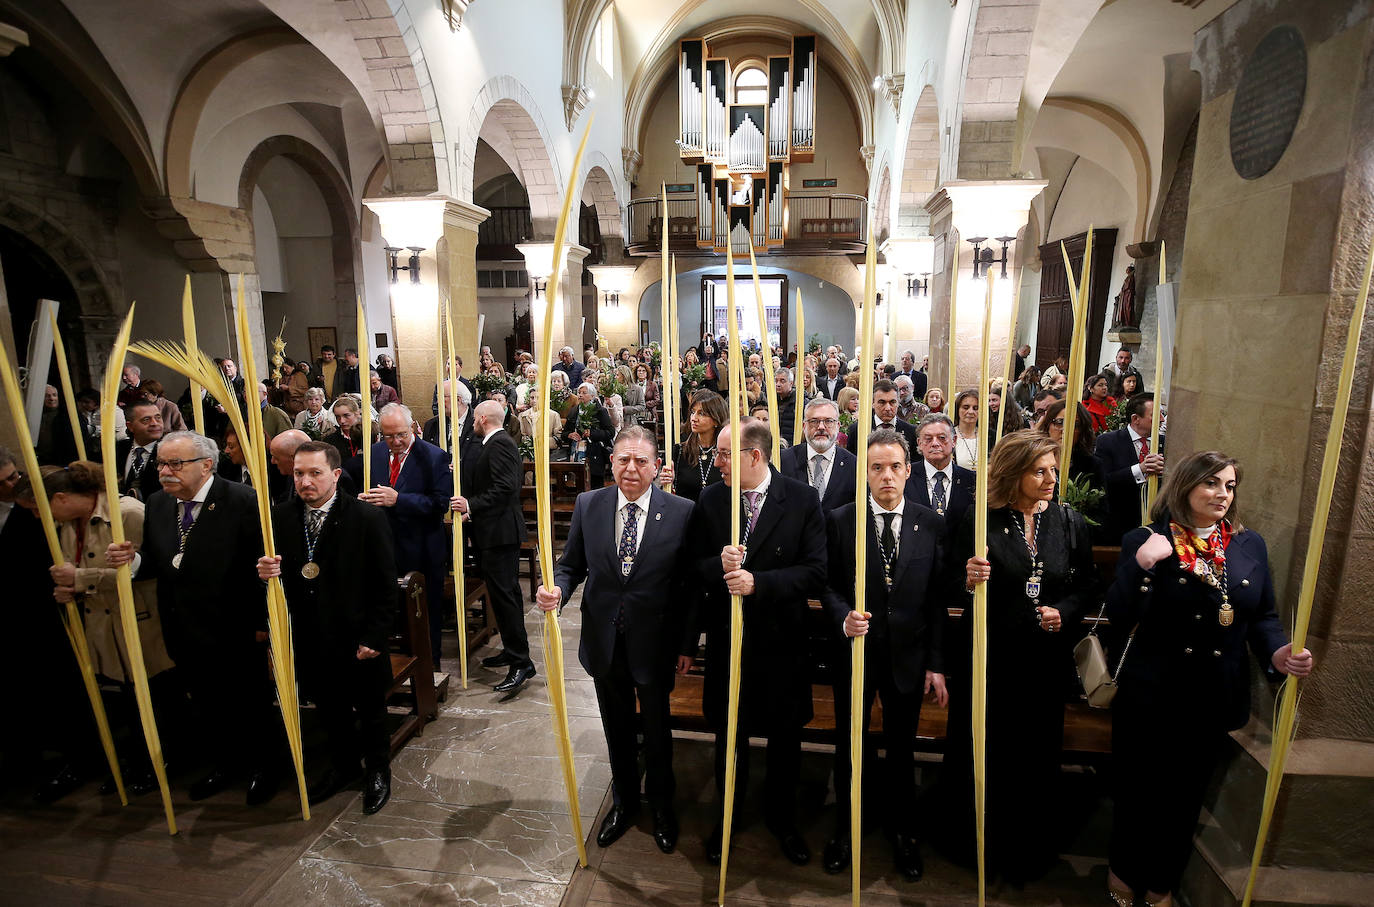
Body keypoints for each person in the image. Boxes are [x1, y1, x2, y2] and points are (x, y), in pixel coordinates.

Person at [1103, 451, 1313, 907]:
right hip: (1153, 692)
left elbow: (1263, 617)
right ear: (1185, 487)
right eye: (1212, 484)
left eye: (1230, 485)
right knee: (1139, 791)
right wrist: (1141, 567)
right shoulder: (1148, 538)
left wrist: (1278, 653)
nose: (1222, 494)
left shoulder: (1246, 545)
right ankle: (1123, 872)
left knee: (1184, 798)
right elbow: (1117, 616)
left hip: (1211, 694)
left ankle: (1161, 884)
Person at [947, 431, 1099, 883]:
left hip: (1043, 664)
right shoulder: (980, 519)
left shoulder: (1067, 522)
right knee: (987, 750)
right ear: (1014, 474)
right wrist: (968, 578)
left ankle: (1026, 846)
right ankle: (975, 843)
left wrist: (1065, 610)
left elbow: (1088, 585)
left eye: (1054, 469)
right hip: (991, 658)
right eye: (1040, 471)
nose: (1052, 479)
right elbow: (946, 579)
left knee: (1034, 754)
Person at [536, 426, 694, 854]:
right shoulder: (591, 505)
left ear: (656, 466)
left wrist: (685, 644)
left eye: (641, 461)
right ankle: (624, 802)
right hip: (605, 638)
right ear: (611, 462)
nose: (631, 468)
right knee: (616, 727)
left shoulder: (680, 511)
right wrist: (557, 591)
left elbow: (686, 586)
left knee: (658, 730)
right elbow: (572, 566)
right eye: (623, 459)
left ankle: (662, 805)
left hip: (655, 641)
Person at [105, 431, 278, 805]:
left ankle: (265, 768)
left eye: (175, 463)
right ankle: (224, 762)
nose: (165, 471)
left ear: (206, 465)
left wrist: (262, 623)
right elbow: (159, 559)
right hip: (181, 625)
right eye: (161, 463)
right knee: (207, 701)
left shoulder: (242, 500)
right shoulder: (157, 501)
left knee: (249, 701)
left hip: (232, 624)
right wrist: (133, 561)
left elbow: (260, 567)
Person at [688, 418, 827, 867]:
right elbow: (692, 567)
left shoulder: (801, 499)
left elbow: (815, 572)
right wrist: (717, 564)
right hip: (730, 641)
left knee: (785, 741)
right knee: (731, 737)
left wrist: (758, 583)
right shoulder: (712, 499)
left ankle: (783, 821)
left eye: (726, 454)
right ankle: (726, 819)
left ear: (755, 456)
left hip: (782, 641)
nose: (718, 461)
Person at [819, 428, 947, 879]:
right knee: (850, 745)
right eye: (876, 468)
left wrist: (936, 663)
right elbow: (829, 584)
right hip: (857, 653)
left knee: (901, 747)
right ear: (864, 473)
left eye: (895, 467)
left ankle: (903, 832)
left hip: (908, 655)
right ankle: (846, 827)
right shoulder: (840, 521)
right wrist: (842, 616)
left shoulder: (928, 522)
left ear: (908, 471)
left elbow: (934, 599)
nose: (886, 476)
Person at [17, 461, 176, 794]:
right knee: (127, 699)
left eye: (38, 509)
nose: (37, 517)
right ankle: (137, 762)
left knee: (156, 697)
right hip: (103, 624)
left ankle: (163, 762)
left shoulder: (128, 513)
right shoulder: (68, 525)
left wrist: (80, 580)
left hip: (140, 621)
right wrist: (70, 587)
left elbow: (151, 568)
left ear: (59, 499)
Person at [258, 441, 397, 815]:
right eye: (299, 473)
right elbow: (278, 579)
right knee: (330, 707)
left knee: (370, 709)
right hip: (309, 633)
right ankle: (344, 766)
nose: (305, 482)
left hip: (355, 633)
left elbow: (385, 584)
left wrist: (375, 635)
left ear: (335, 475)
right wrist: (265, 574)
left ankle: (378, 770)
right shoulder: (282, 518)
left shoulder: (366, 518)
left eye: (315, 473)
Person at [352, 403, 451, 667]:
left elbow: (440, 504)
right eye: (388, 436)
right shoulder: (374, 454)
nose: (395, 442)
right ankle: (395, 665)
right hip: (385, 546)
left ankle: (430, 666)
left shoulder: (433, 456)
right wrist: (364, 501)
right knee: (388, 610)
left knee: (425, 612)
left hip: (422, 547)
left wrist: (399, 500)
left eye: (401, 435)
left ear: (413, 428)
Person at [452, 401, 533, 693]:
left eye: (474, 417)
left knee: (506, 597)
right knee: (502, 597)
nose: (472, 422)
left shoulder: (500, 443)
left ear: (482, 418)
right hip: (492, 532)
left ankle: (522, 662)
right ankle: (512, 651)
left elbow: (505, 488)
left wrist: (470, 504)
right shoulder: (492, 442)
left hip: (500, 533)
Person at [1094, 393, 1165, 546]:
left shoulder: (1165, 443)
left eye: (1162, 414)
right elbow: (1103, 482)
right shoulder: (1108, 442)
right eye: (1155, 415)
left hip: (1157, 528)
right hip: (1120, 528)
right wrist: (1140, 469)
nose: (1161, 419)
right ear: (1135, 419)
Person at [904, 414, 975, 544]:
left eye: (942, 438)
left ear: (954, 440)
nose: (935, 443)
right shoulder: (905, 477)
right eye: (928, 439)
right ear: (919, 443)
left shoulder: (971, 480)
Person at [661, 389, 726, 503]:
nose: (694, 418)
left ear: (716, 419)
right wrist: (668, 482)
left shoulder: (726, 454)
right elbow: (668, 496)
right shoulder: (679, 451)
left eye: (701, 413)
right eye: (692, 412)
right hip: (686, 517)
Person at [562, 383, 615, 488]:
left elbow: (610, 432)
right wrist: (570, 435)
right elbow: (564, 433)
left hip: (595, 452)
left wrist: (592, 433)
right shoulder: (574, 410)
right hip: (576, 451)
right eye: (579, 393)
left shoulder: (600, 411)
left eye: (584, 393)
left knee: (595, 485)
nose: (580, 395)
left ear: (592, 396)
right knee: (578, 484)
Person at [844, 379, 918, 454]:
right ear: (873, 403)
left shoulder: (911, 432)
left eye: (892, 402)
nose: (888, 408)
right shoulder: (857, 430)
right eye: (882, 402)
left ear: (898, 403)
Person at [115, 400, 165, 500]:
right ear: (130, 426)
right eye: (146, 420)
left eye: (158, 417)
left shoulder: (169, 451)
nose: (154, 423)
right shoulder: (118, 449)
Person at [326, 394, 367, 464]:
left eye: (346, 415)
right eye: (337, 417)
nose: (342, 421)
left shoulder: (368, 436)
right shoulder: (330, 441)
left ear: (357, 413)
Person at [950, 389, 981, 469]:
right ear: (958, 409)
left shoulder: (989, 436)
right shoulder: (949, 435)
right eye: (966, 407)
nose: (970, 411)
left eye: (975, 408)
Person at [771, 367, 797, 442]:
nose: (778, 384)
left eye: (782, 381)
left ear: (791, 383)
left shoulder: (799, 402)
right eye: (776, 381)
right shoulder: (772, 400)